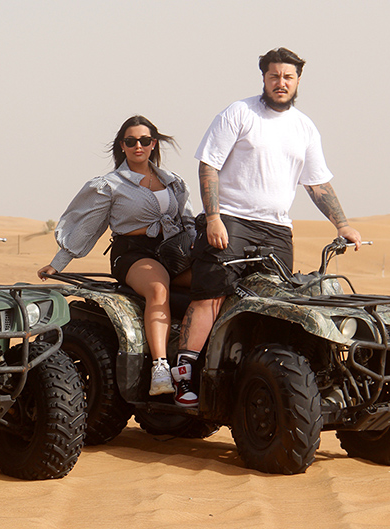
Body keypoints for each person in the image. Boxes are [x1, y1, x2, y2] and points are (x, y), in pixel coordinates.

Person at [177, 47, 363, 407]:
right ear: (264, 78)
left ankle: (255, 381)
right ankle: (184, 377)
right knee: (211, 296)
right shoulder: (240, 113)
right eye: (274, 76)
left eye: (288, 77)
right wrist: (213, 216)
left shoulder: (305, 128)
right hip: (231, 220)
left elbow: (317, 184)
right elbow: (208, 165)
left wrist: (343, 224)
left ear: (297, 81)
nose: (281, 83)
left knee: (274, 303)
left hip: (277, 230)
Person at [38, 115, 197, 398]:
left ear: (153, 144)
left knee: (208, 284)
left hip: (173, 252)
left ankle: (188, 364)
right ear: (122, 146)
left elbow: (188, 221)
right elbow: (88, 226)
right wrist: (58, 264)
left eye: (144, 141)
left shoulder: (173, 182)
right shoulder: (110, 185)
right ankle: (160, 367)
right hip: (133, 254)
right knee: (158, 289)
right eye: (131, 141)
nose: (138, 146)